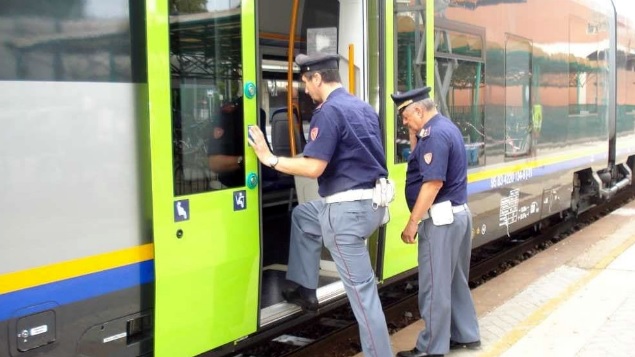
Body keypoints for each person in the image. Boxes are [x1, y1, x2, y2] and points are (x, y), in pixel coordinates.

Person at [248, 52, 393, 357]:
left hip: (345, 215)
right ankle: (305, 288)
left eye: (305, 82)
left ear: (317, 78)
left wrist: (270, 158)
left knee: (364, 299)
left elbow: (314, 167)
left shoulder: (327, 112)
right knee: (303, 215)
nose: (305, 90)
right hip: (372, 206)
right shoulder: (363, 107)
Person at [390, 87, 480, 357]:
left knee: (434, 286)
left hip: (441, 221)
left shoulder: (434, 134)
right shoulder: (444, 127)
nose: (404, 123)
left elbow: (432, 182)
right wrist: (413, 133)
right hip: (457, 215)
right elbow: (421, 162)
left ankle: (431, 347)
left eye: (406, 117)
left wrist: (413, 222)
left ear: (419, 110)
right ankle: (465, 334)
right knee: (454, 281)